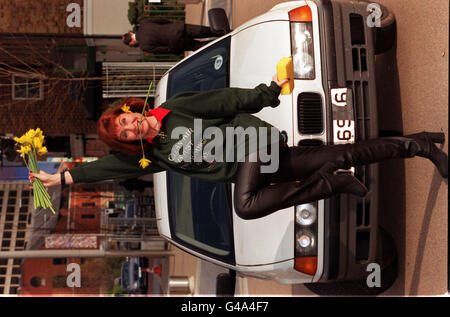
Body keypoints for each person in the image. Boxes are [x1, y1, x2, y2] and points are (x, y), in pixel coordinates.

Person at [30, 74, 448, 220]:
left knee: (245, 206)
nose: (129, 126)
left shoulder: (172, 111)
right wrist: (63, 175)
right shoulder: (153, 156)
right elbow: (110, 170)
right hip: (263, 166)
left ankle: (334, 186)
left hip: (254, 142)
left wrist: (269, 92)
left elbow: (225, 101)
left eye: (125, 119)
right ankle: (422, 145)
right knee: (345, 155)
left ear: (131, 110)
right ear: (128, 142)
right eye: (123, 133)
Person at [123, 18, 219, 54]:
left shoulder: (144, 47)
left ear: (131, 43)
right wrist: (172, 25)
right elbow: (162, 20)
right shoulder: (143, 23)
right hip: (177, 28)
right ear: (131, 33)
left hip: (176, 43)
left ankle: (220, 43)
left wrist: (175, 49)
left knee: (199, 46)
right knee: (203, 31)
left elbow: (163, 50)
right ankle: (224, 31)